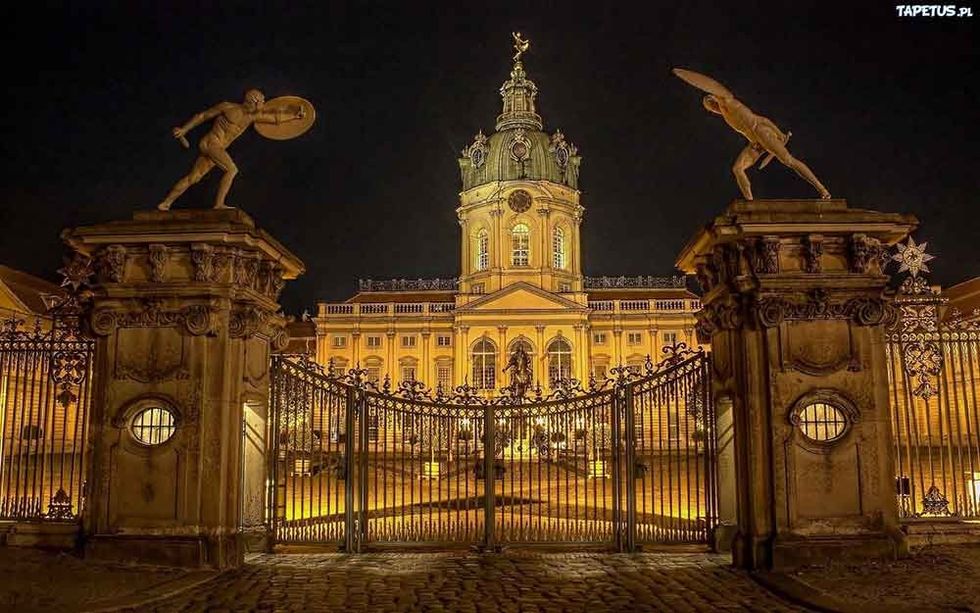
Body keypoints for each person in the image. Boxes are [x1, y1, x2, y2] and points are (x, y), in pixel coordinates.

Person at [158, 89, 304, 210]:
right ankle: (219, 204)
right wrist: (184, 129)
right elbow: (203, 116)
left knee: (194, 178)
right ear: (252, 101)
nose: (261, 105)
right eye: (260, 102)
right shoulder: (227, 107)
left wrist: (294, 116)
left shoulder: (252, 117)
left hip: (217, 148)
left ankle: (166, 203)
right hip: (211, 143)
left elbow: (274, 119)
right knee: (231, 169)